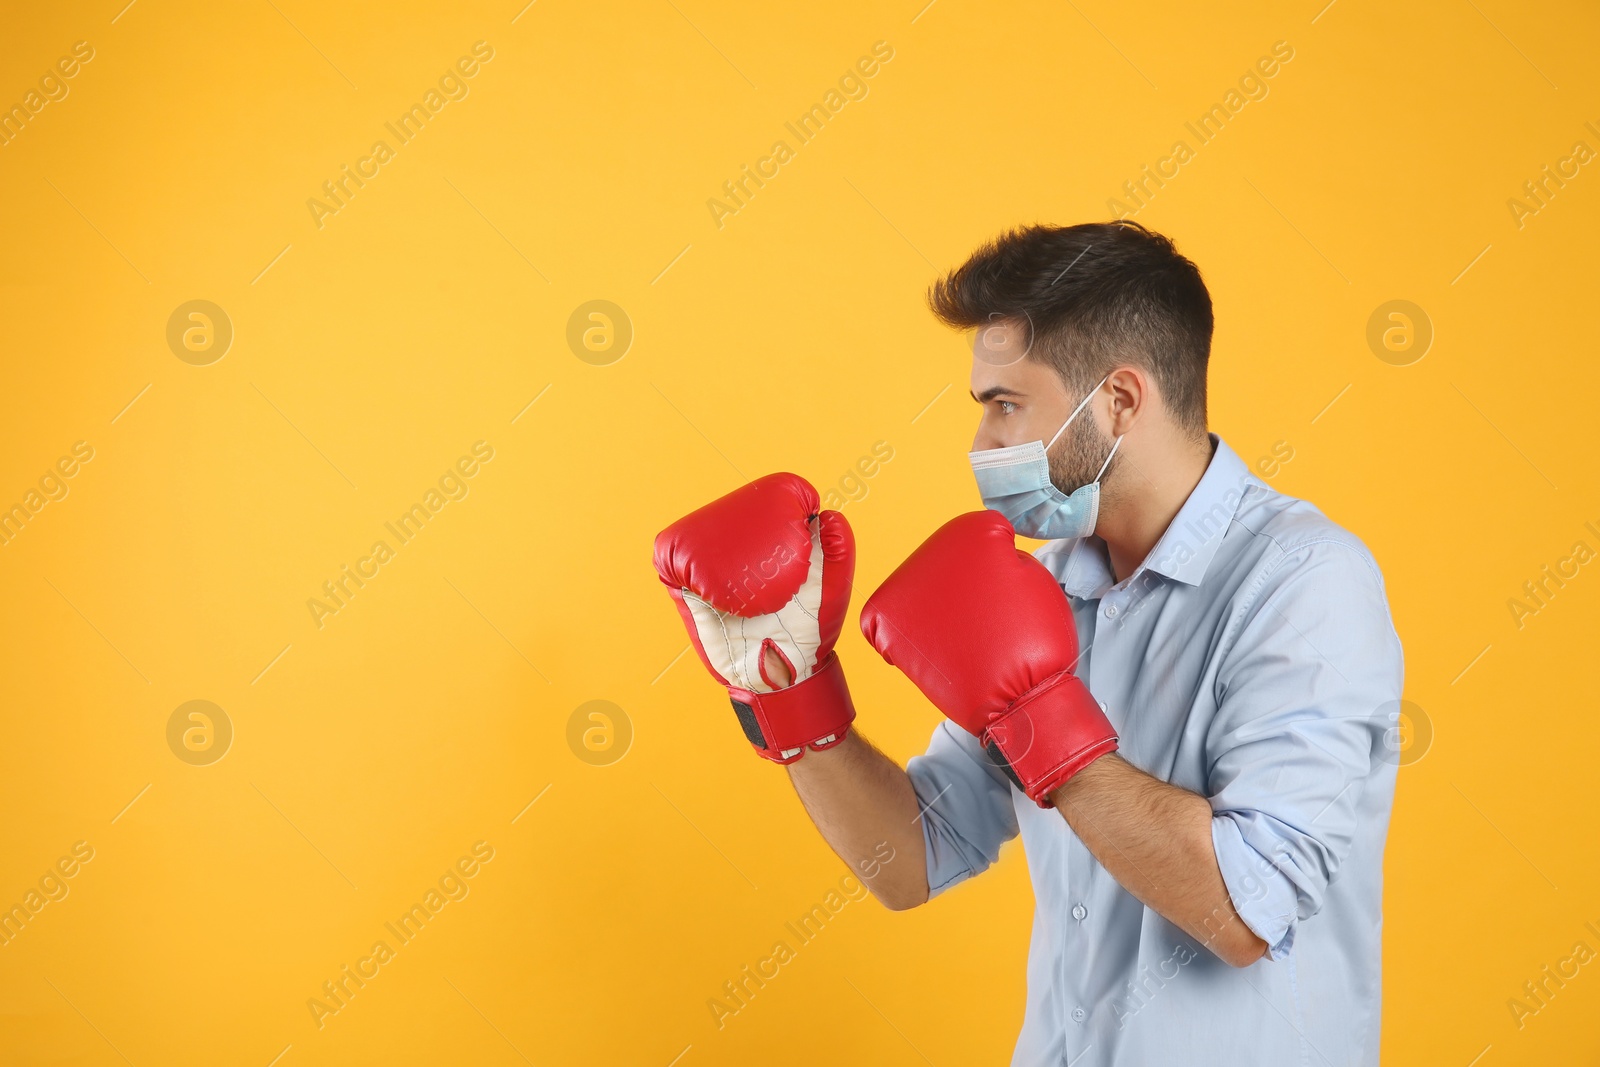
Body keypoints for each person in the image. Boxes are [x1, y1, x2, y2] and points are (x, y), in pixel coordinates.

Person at [653, 220, 1404, 1066]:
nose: (982, 445)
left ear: (1120, 401)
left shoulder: (1304, 580)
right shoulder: (1040, 588)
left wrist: (1038, 714)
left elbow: (1245, 912)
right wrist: (791, 693)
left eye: (1006, 404)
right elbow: (910, 859)